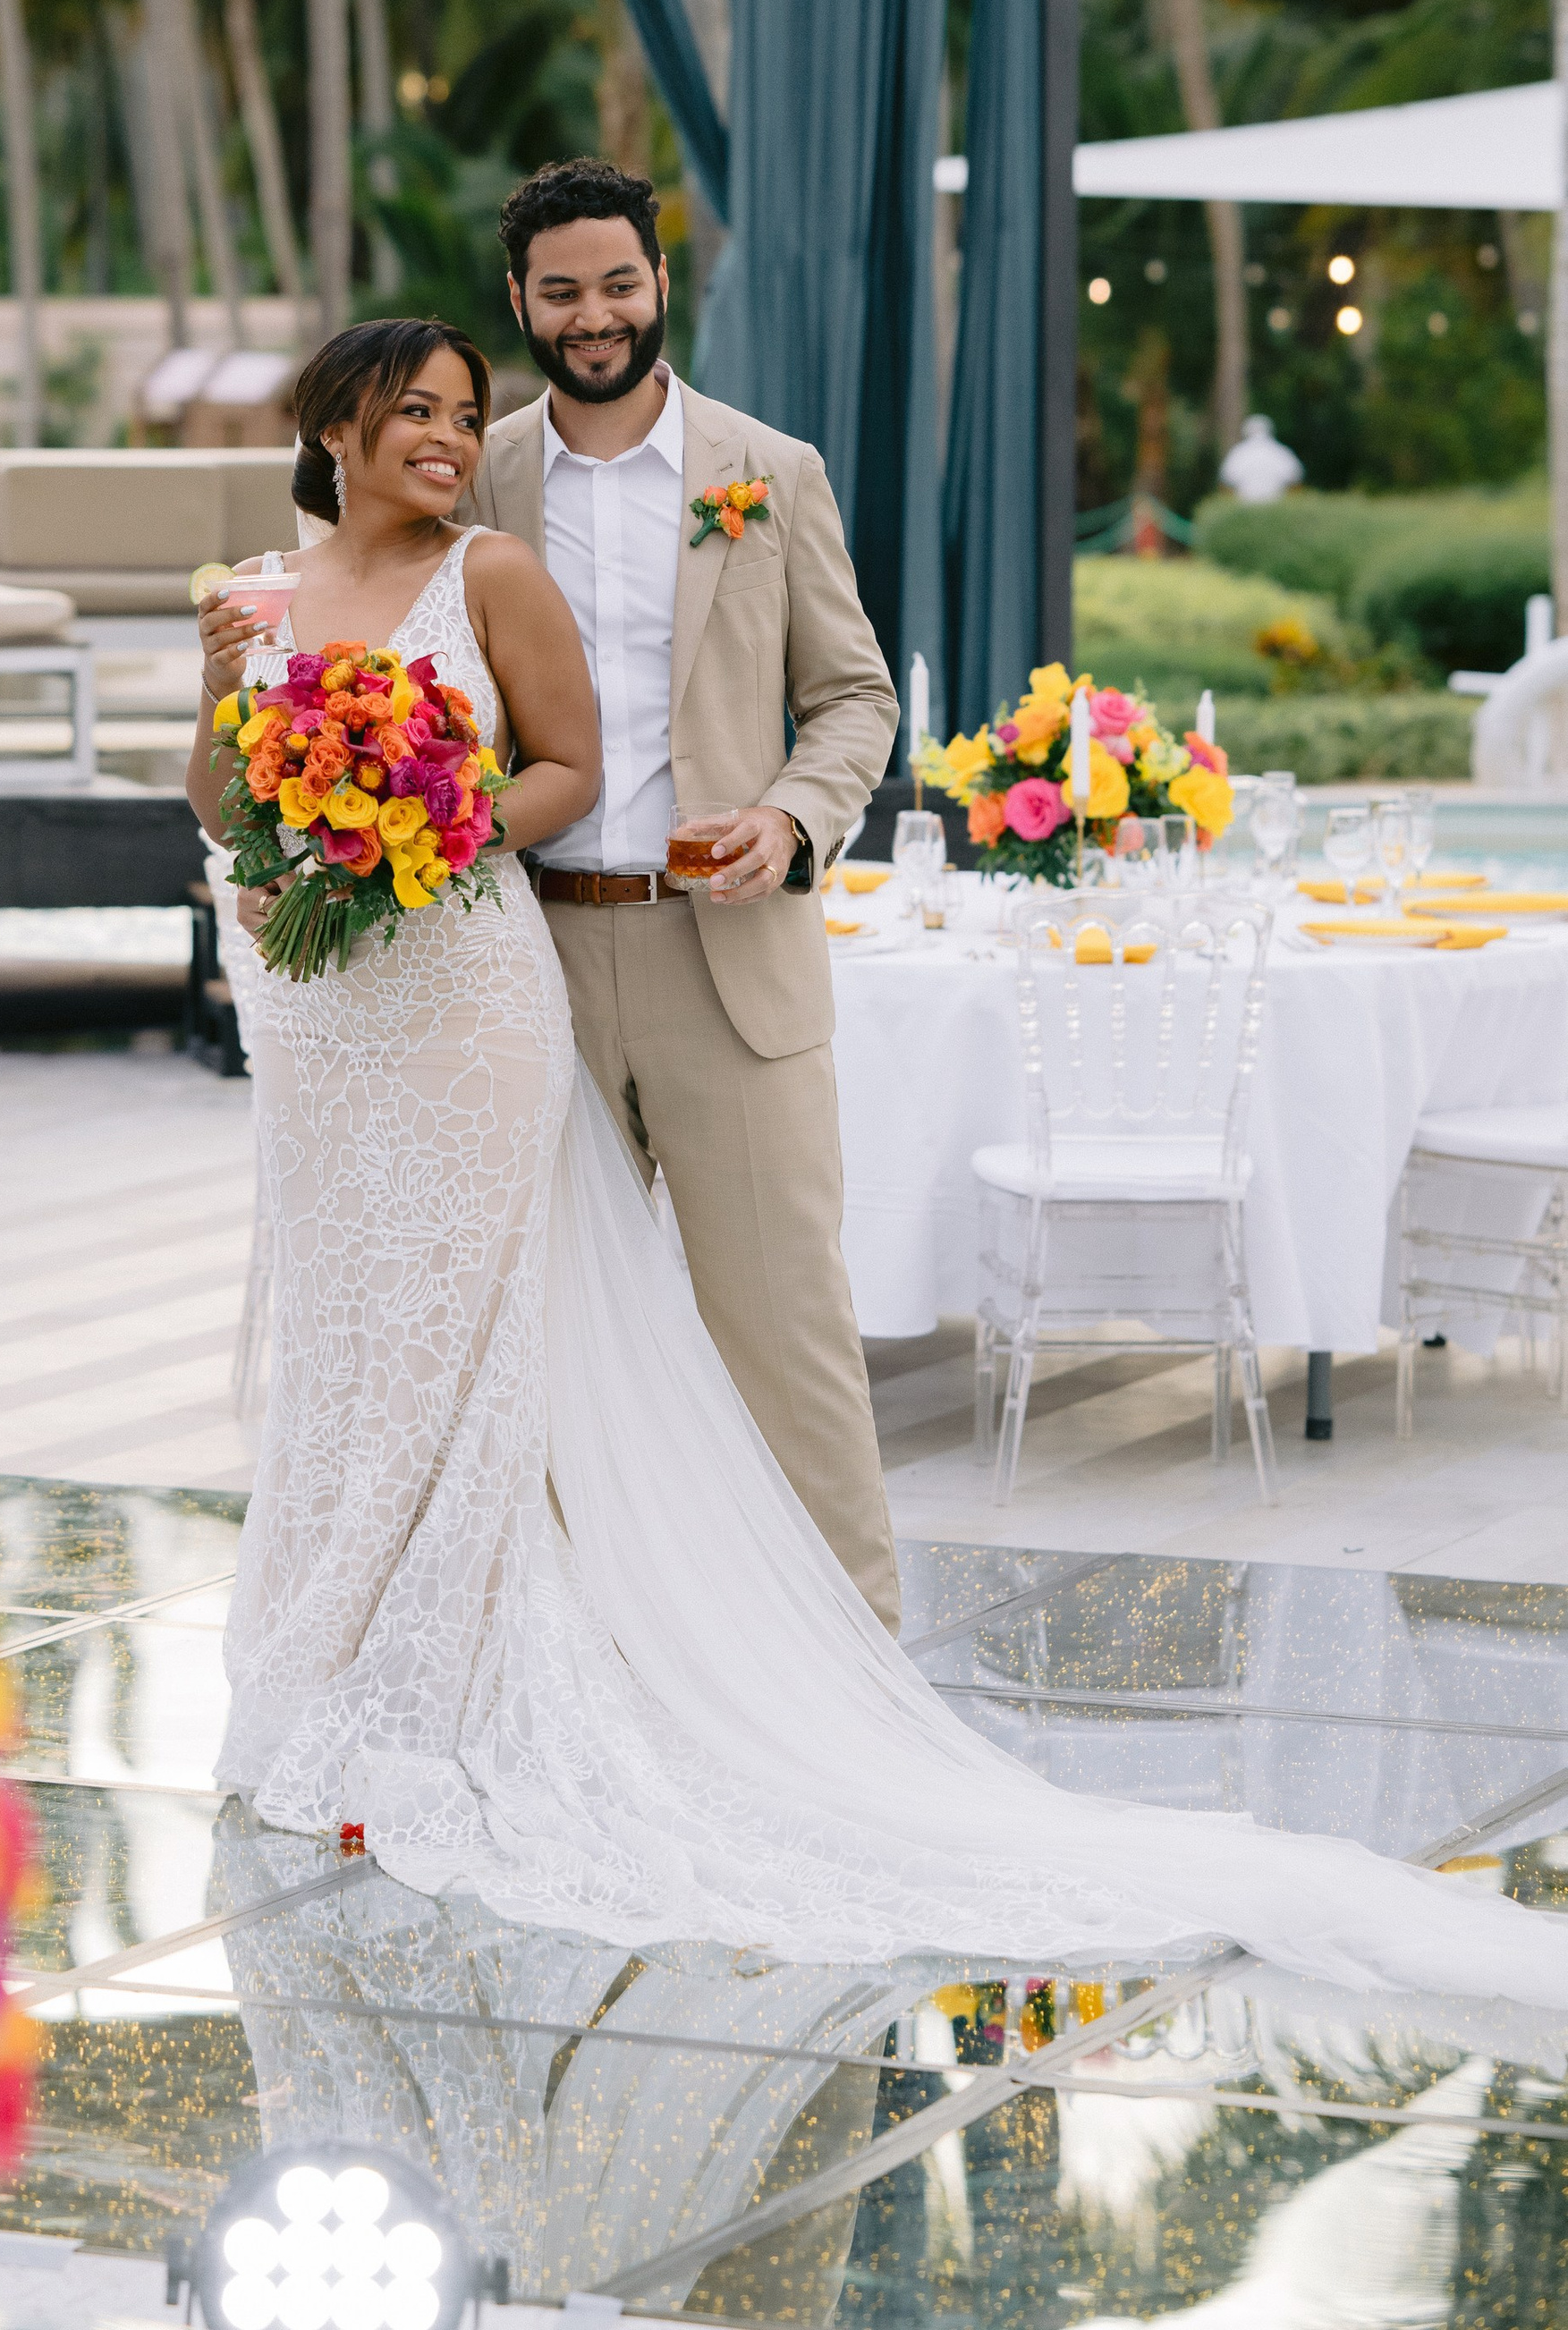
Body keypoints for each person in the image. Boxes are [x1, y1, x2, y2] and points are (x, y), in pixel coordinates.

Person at [186, 313, 1568, 2009]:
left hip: (496, 980)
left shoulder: (568, 543)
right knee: (353, 1341)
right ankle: (339, 1661)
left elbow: (631, 747)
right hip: (330, 1022)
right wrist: (237, 730)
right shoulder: (264, 584)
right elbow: (220, 798)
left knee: (555, 1342)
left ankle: (719, 1671)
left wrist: (428, 826)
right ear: (332, 421)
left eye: (465, 411)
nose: (455, 433)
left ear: (654, 283)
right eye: (417, 407)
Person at [462, 156, 899, 1628]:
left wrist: (791, 818)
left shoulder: (765, 472)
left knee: (786, 1333)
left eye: (621, 282)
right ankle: (584, 1667)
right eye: (563, 290)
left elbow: (855, 699)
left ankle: (859, 1655)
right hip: (527, 965)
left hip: (731, 961)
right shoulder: (475, 480)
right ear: (519, 301)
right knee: (550, 1339)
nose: (596, 315)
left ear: (663, 283)